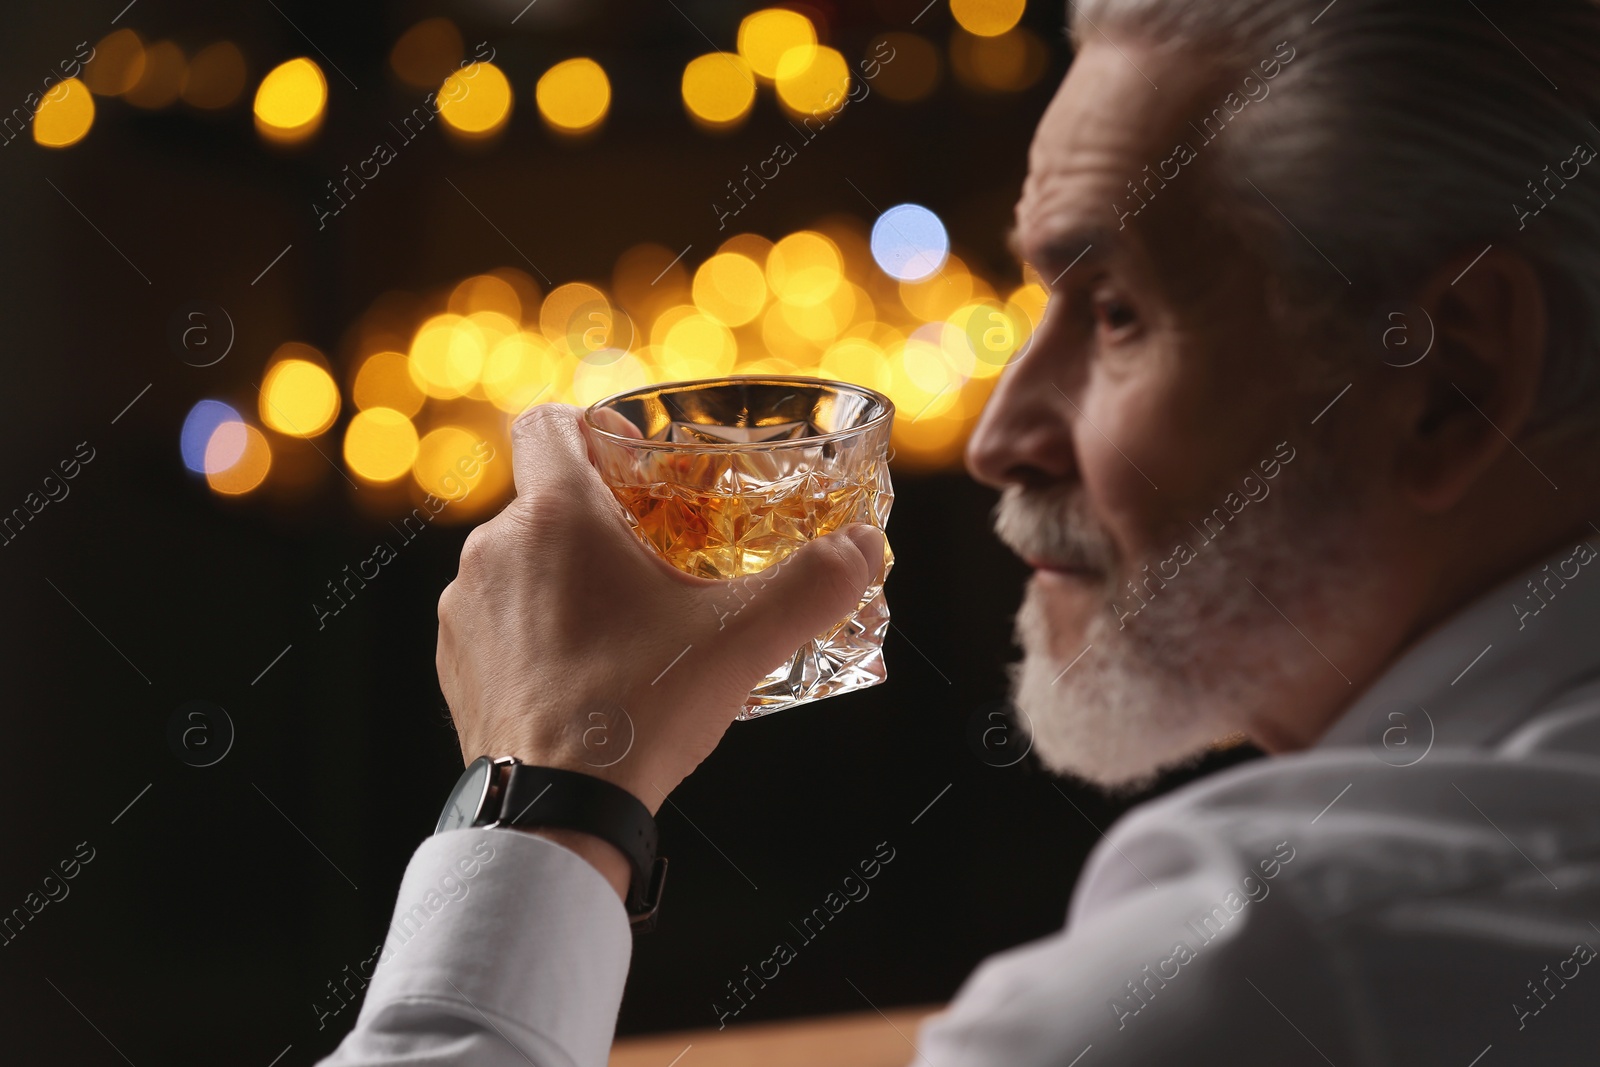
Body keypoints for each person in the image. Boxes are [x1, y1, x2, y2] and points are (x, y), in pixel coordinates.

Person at [323, 0, 1600, 1063]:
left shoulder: (1276, 956)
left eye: (1113, 312)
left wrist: (546, 787)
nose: (998, 437)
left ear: (1446, 381)